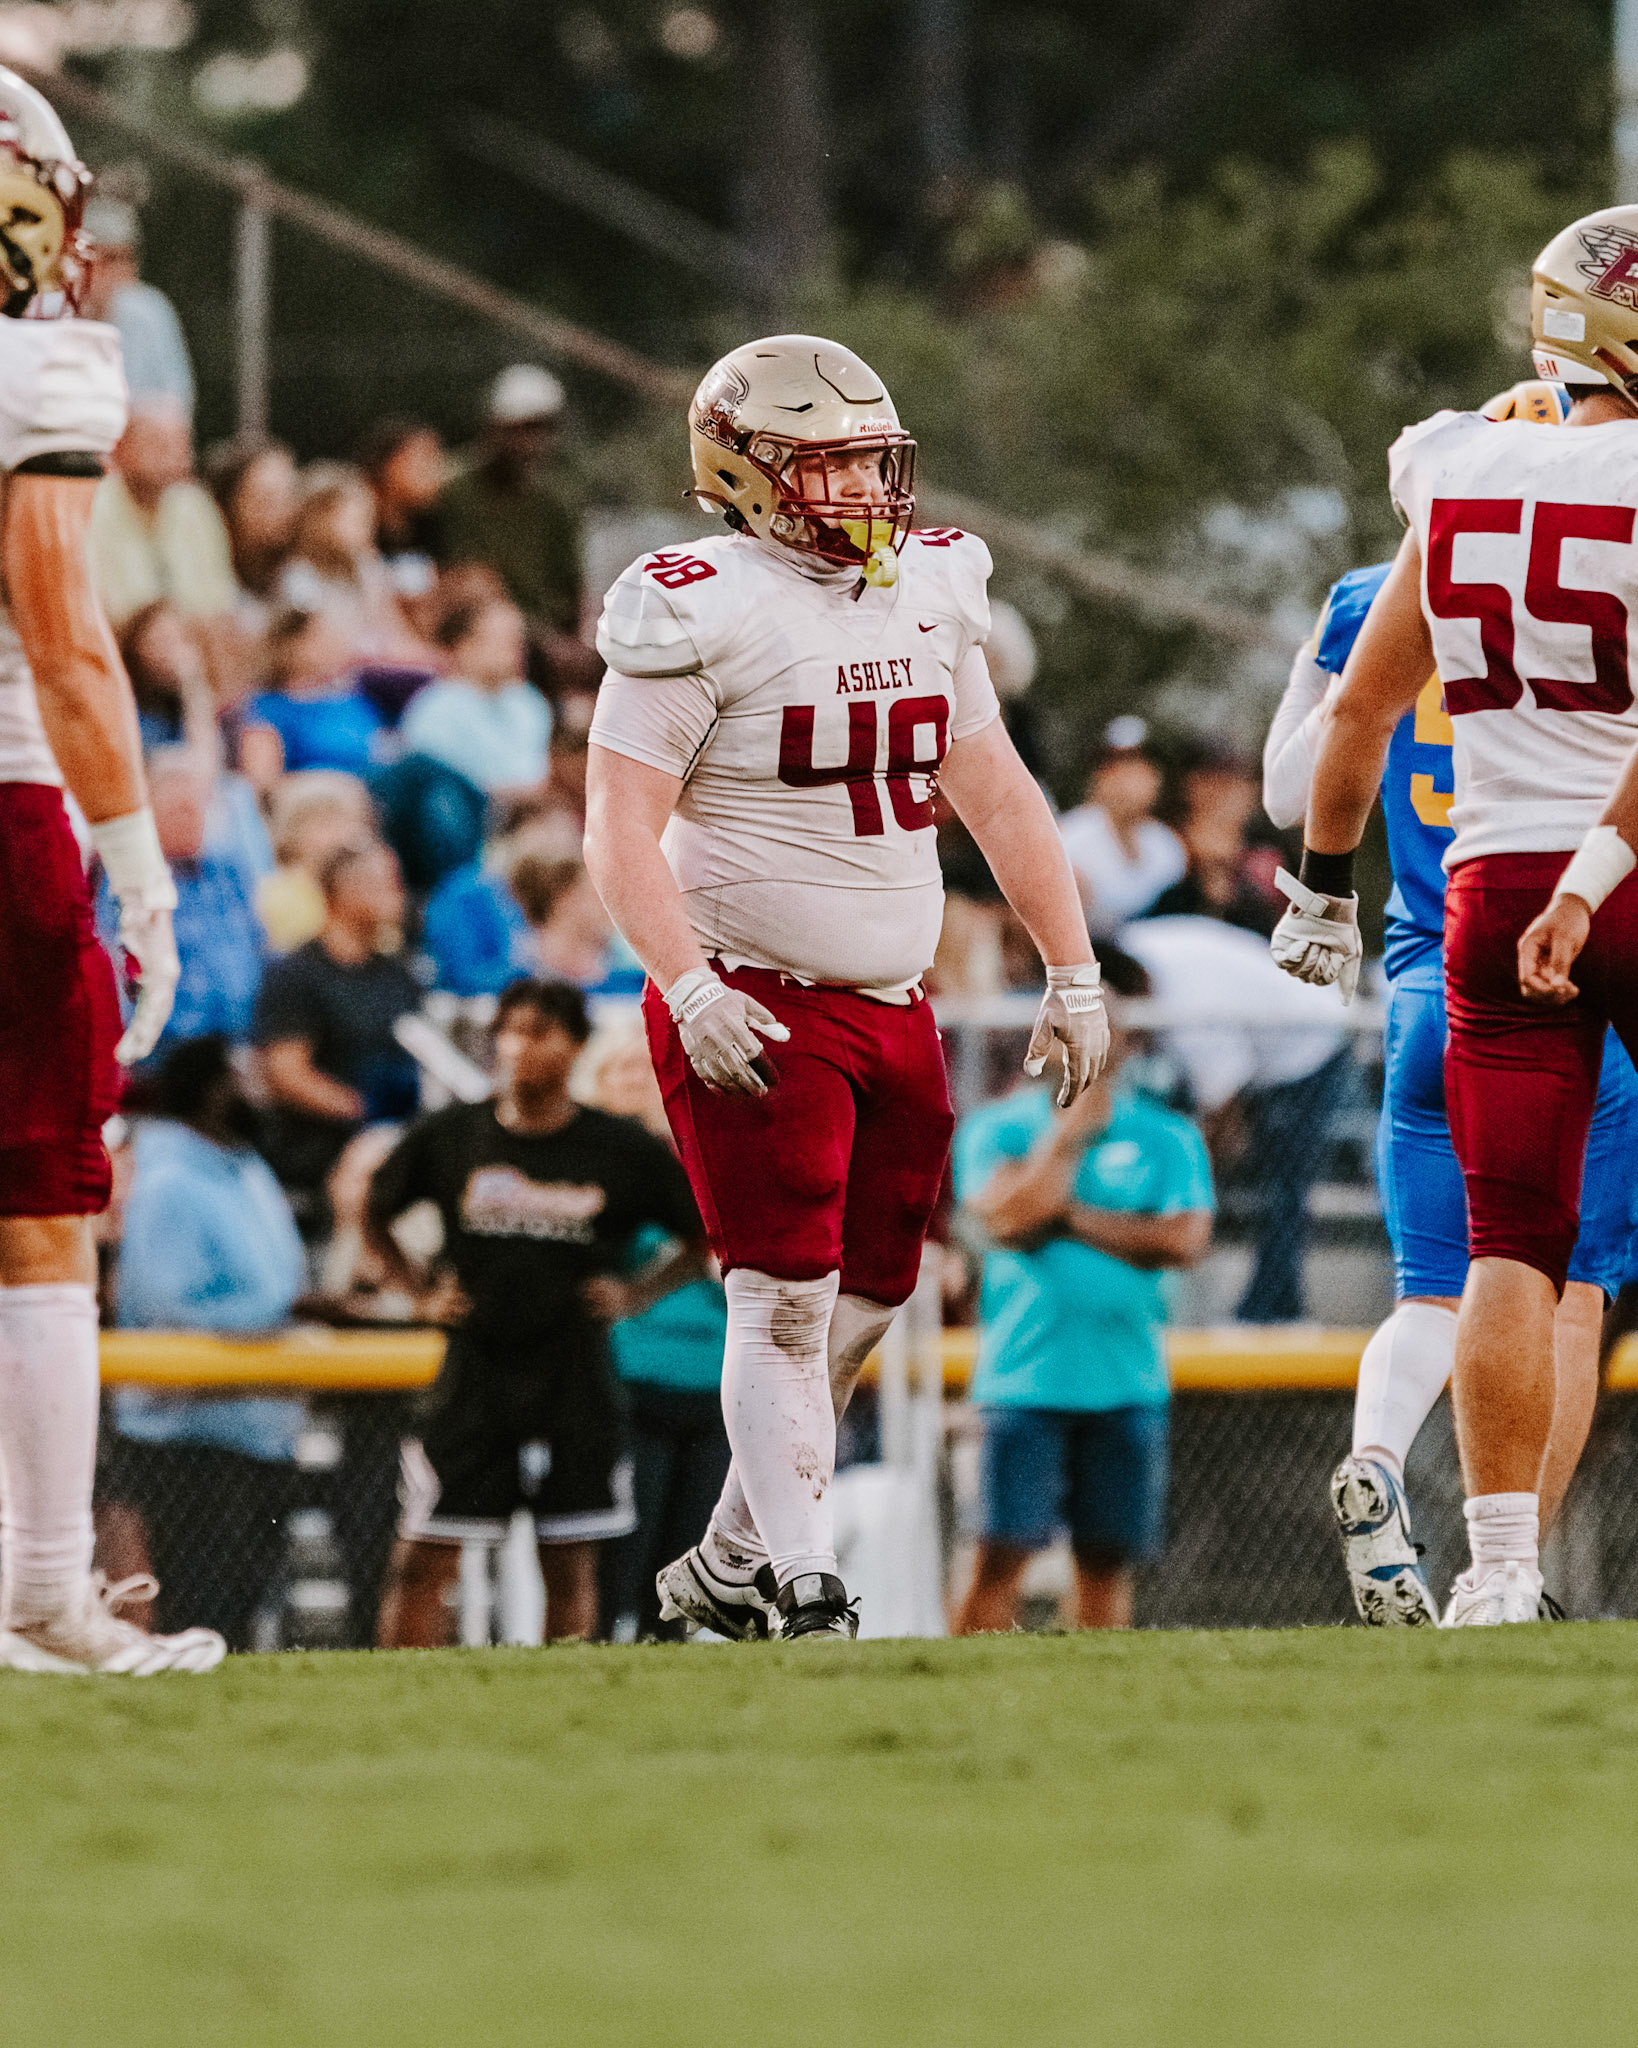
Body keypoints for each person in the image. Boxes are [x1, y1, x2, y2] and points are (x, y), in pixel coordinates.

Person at [583, 334, 1108, 1640]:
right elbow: (615, 828)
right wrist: (688, 987)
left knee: (870, 1300)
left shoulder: (929, 585)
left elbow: (998, 794)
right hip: (755, 994)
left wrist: (1073, 965)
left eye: (877, 459)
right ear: (746, 474)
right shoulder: (696, 602)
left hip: (894, 998)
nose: (871, 488)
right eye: (834, 465)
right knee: (779, 1299)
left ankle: (727, 1556)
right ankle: (806, 1581)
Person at [1273, 204, 1638, 1624]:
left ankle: (1496, 1572)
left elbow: (1358, 712)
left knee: (1505, 1250)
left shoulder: (1455, 465)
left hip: (1483, 896)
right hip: (1611, 869)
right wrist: (1595, 881)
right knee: (1551, 1265)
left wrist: (1322, 886)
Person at [0, 70, 221, 1673]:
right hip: (8, 805)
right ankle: (45, 1589)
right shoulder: (40, 366)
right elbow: (66, 635)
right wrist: (139, 868)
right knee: (39, 1207)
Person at [368, 979, 709, 1646]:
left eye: (539, 1032)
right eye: (510, 1031)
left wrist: (636, 1294)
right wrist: (418, 1291)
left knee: (571, 1565)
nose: (519, 1047)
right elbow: (375, 1208)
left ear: (575, 1046)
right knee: (422, 1561)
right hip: (474, 1372)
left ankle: (563, 1692)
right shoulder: (453, 1134)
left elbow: (701, 1234)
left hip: (574, 1373)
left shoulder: (617, 1147)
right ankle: (395, 1689)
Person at [952, 975, 1214, 1633]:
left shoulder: (1167, 1134)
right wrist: (1069, 1138)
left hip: (1127, 1382)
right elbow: (1003, 1220)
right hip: (1021, 1382)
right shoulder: (996, 1129)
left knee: (1106, 1563)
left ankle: (1095, 1686)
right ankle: (959, 1684)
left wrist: (1066, 1216)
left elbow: (1184, 1240)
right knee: (998, 1558)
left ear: (1125, 1041)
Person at [105, 1036, 306, 1650]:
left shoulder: (244, 1165)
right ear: (210, 1091)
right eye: (245, 1078)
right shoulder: (168, 1179)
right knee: (196, 1616)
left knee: (238, 1617)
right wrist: (286, 1312)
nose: (261, 1090)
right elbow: (163, 1308)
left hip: (255, 1428)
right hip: (188, 1442)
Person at [577, 1019, 732, 1642]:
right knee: (616, 1554)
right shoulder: (587, 1171)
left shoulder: (709, 1162)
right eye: (621, 1068)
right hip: (626, 1378)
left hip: (712, 1378)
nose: (635, 1081)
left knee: (683, 1561)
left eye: (645, 1068)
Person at [1117, 914, 1348, 1323]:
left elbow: (1224, 1110)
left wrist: (1188, 1178)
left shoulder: (1189, 1011)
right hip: (1270, 1025)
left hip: (1309, 1041)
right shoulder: (1131, 952)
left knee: (1285, 1186)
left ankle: (1272, 1310)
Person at [252, 840, 423, 1206]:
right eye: (387, 883)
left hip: (395, 1137)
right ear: (345, 891)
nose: (398, 895)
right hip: (321, 1146)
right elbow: (286, 1074)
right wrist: (363, 1112)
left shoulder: (399, 973)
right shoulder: (295, 974)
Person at [98, 749, 266, 1061]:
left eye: (199, 806)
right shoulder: (126, 880)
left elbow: (261, 945)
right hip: (168, 1051)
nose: (193, 817)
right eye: (180, 809)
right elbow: (116, 970)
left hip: (243, 1042)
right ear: (148, 813)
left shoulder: (228, 872)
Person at [439, 364, 598, 691]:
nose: (532, 443)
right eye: (522, 430)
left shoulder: (554, 501)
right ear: (495, 429)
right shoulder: (459, 491)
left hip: (552, 634)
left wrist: (582, 641)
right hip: (489, 629)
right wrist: (541, 639)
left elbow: (573, 584)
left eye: (543, 430)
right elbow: (469, 581)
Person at [87, 395, 239, 634]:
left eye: (180, 444)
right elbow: (96, 608)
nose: (172, 455)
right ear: (122, 447)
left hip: (193, 644)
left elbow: (219, 604)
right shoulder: (93, 507)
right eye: (157, 443)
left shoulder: (197, 506)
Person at [398, 596, 552, 805]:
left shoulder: (528, 702)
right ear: (465, 646)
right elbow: (437, 794)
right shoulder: (434, 710)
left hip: (529, 817)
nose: (517, 650)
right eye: (504, 641)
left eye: (519, 640)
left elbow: (537, 780)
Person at [278, 467, 427, 665]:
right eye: (357, 521)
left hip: (375, 665)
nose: (367, 531)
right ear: (319, 520)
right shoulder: (300, 577)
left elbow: (397, 631)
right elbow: (316, 650)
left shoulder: (365, 568)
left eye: (368, 521)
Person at [1057, 718, 1187, 937]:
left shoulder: (1167, 845)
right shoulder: (1069, 837)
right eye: (1116, 765)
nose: (1129, 778)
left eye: (1140, 765)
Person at [241, 608, 389, 789]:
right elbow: (262, 781)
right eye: (320, 638)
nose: (334, 645)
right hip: (314, 798)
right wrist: (338, 782)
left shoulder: (357, 703)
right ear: (291, 646)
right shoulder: (269, 709)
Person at [81, 194, 195, 412]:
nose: (118, 270)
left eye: (125, 258)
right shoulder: (52, 310)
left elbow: (173, 410)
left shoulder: (145, 310)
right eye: (106, 258)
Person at [359, 418, 446, 598]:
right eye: (423, 463)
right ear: (387, 465)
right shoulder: (355, 522)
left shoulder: (426, 522)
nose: (435, 474)